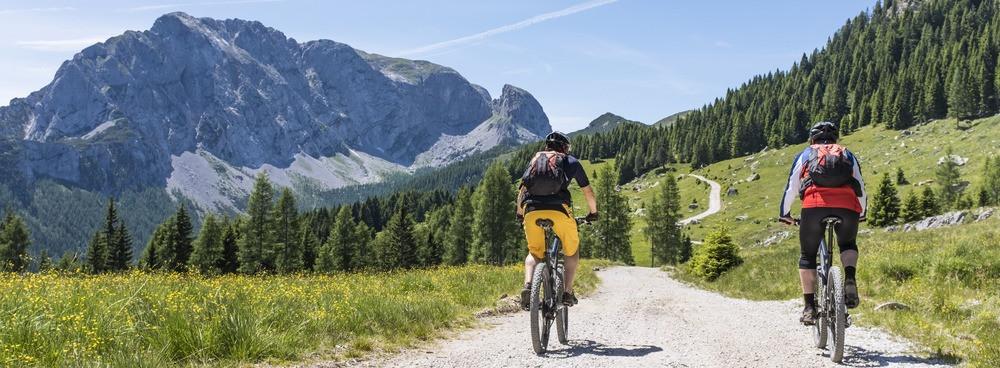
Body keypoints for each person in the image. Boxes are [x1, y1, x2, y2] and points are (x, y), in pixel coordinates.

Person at [778, 121, 867, 325]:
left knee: (807, 256)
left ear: (812, 138)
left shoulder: (806, 153)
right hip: (847, 207)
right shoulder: (847, 154)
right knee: (847, 245)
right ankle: (850, 277)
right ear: (836, 139)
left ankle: (809, 308)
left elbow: (792, 186)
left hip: (814, 206)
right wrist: (862, 212)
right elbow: (860, 185)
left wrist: (785, 214)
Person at [516, 131, 598, 309]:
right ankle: (567, 292)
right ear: (565, 148)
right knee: (571, 251)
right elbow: (588, 192)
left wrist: (520, 214)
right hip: (559, 210)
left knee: (534, 253)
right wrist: (593, 212)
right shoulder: (571, 161)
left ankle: (528, 285)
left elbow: (522, 190)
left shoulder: (535, 160)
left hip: (530, 210)